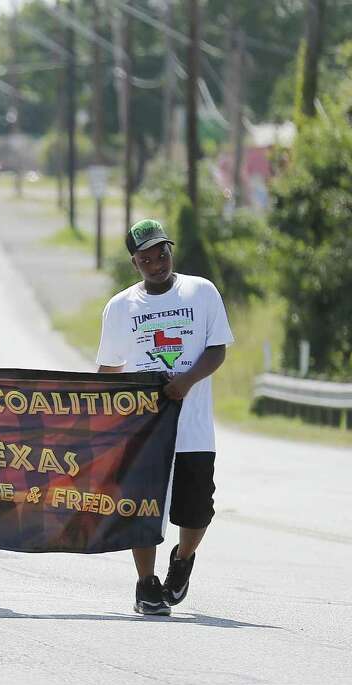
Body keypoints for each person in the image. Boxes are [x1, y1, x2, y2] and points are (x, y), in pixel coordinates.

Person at [96, 219, 234, 616]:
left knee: (197, 510)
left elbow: (216, 348)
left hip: (192, 427)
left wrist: (186, 381)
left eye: (162, 253)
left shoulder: (201, 292)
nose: (157, 263)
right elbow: (109, 370)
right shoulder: (121, 307)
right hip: (145, 429)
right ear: (134, 263)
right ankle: (146, 583)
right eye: (146, 258)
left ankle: (183, 558)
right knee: (143, 507)